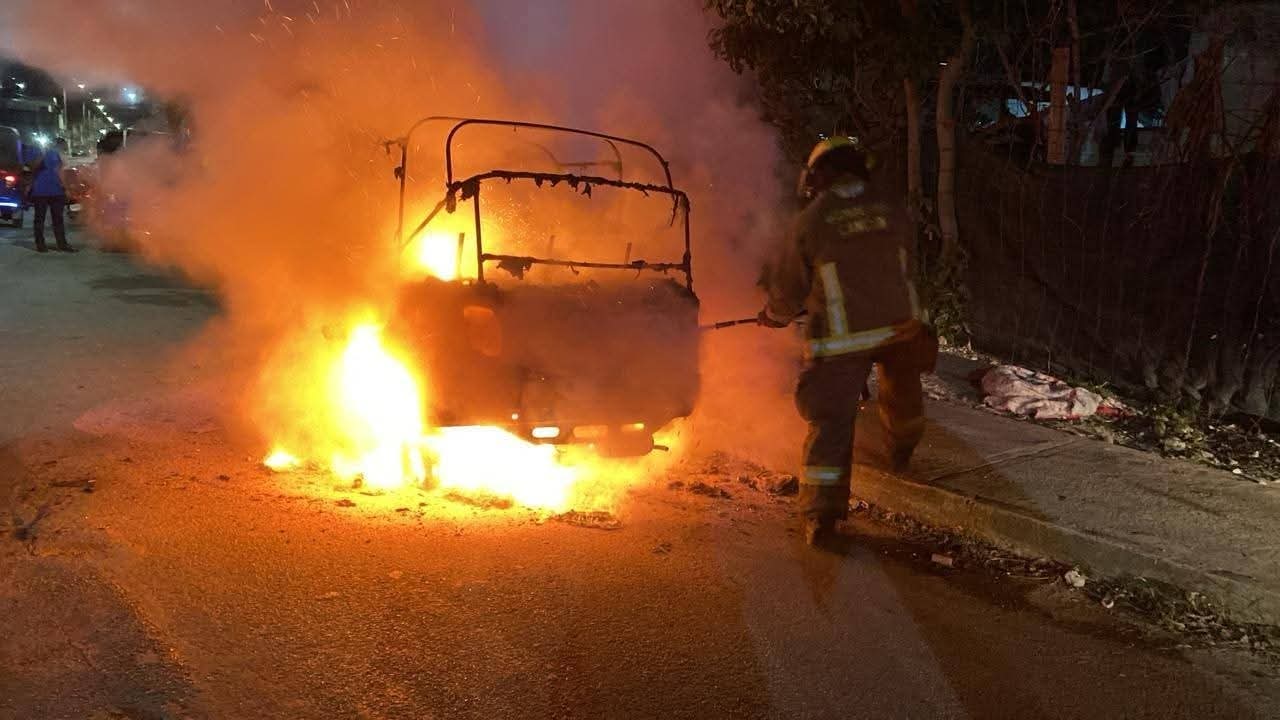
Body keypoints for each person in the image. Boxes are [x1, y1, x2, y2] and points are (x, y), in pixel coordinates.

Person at [758, 136, 937, 547]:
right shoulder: (893, 208)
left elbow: (789, 288)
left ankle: (822, 517)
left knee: (831, 423)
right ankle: (902, 449)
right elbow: (905, 263)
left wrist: (773, 316)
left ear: (818, 175)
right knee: (903, 395)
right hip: (902, 328)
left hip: (843, 339)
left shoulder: (812, 220)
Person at [29, 137, 76, 253]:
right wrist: (42, 153)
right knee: (40, 219)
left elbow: (61, 172)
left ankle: (62, 244)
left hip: (57, 190)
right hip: (40, 191)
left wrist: (65, 188)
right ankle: (40, 244)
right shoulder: (36, 151)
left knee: (58, 219)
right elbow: (32, 167)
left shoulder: (57, 155)